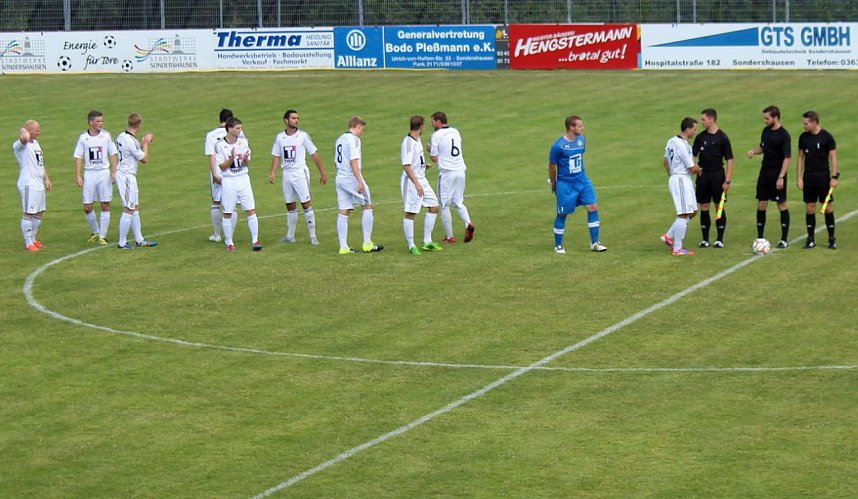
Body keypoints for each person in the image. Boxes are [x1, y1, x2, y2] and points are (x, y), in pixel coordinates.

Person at [548, 115, 607, 254]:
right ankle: (558, 245)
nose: (583, 128)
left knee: (592, 207)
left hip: (582, 181)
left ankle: (595, 243)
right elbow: (552, 166)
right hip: (566, 184)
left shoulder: (581, 140)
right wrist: (553, 182)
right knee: (562, 213)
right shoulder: (558, 146)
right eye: (580, 126)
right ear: (571, 127)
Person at [268, 109, 328, 245]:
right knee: (290, 204)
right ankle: (290, 236)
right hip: (287, 174)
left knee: (306, 203)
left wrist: (322, 172)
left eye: (297, 118)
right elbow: (276, 156)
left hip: (300, 172)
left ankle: (313, 236)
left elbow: (314, 154)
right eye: (293, 118)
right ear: (286, 120)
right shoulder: (280, 138)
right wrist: (273, 172)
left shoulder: (303, 136)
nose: (296, 120)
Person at [334, 116, 383, 255]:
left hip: (340, 178)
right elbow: (353, 161)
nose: (362, 132)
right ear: (357, 126)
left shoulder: (340, 139)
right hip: (351, 178)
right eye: (362, 129)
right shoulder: (354, 139)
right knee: (367, 205)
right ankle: (367, 243)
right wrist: (359, 181)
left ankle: (343, 247)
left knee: (344, 210)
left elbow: (335, 162)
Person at [214, 117, 261, 252]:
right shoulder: (220, 145)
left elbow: (247, 163)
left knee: (250, 209)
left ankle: (255, 240)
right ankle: (229, 242)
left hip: (243, 178)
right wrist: (231, 158)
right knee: (228, 211)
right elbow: (222, 167)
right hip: (229, 180)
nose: (240, 130)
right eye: (238, 128)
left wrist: (245, 159)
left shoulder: (243, 142)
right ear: (229, 129)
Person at [747, 105, 791, 248]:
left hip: (777, 174)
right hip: (764, 173)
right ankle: (760, 237)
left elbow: (787, 157)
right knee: (761, 204)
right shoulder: (766, 131)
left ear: (775, 117)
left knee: (781, 204)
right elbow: (763, 147)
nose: (765, 121)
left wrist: (781, 177)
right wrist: (754, 151)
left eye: (767, 118)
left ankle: (784, 239)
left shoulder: (784, 135)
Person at [429, 111, 474, 243]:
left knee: (444, 204)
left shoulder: (436, 135)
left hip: (447, 173)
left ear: (438, 121)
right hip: (460, 171)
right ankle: (468, 224)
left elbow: (434, 158)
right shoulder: (455, 131)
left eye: (432, 122)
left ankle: (449, 236)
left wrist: (429, 149)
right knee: (458, 201)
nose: (432, 124)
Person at [74, 110, 118, 244]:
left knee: (105, 204)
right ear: (91, 122)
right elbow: (78, 157)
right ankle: (95, 231)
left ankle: (102, 236)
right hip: (89, 174)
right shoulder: (83, 138)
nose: (101, 123)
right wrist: (78, 176)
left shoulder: (106, 136)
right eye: (98, 121)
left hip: (103, 173)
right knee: (87, 206)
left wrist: (114, 172)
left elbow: (113, 154)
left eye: (101, 121)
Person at [796, 111, 839, 249]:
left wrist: (833, 177)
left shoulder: (826, 137)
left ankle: (831, 239)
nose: (804, 126)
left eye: (806, 123)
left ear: (814, 123)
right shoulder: (803, 138)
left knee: (827, 207)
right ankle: (810, 239)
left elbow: (833, 157)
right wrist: (799, 177)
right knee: (810, 207)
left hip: (823, 176)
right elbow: (800, 158)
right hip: (809, 176)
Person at [400, 115, 443, 255]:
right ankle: (411, 246)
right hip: (412, 182)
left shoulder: (417, 140)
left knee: (434, 206)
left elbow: (414, 161)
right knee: (410, 213)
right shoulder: (408, 143)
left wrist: (424, 165)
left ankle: (427, 242)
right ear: (421, 126)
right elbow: (406, 166)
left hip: (421, 179)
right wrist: (417, 184)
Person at [692, 108, 734, 248]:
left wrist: (727, 180)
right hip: (703, 176)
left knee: (719, 206)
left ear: (711, 119)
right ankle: (705, 239)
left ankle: (719, 239)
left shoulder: (723, 138)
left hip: (718, 175)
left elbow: (729, 160)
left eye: (703, 119)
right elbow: (692, 156)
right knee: (704, 206)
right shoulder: (700, 138)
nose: (701, 122)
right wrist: (695, 168)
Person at [114, 113, 158, 249]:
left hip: (126, 175)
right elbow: (144, 159)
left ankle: (139, 239)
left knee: (135, 207)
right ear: (138, 125)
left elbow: (132, 149)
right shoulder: (131, 141)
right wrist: (146, 143)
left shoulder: (122, 136)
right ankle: (122, 243)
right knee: (129, 208)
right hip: (127, 176)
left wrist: (141, 143)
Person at [661, 117, 702, 256]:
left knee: (692, 211)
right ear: (688, 129)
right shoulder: (682, 145)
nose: (695, 132)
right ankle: (677, 248)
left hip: (678, 178)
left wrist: (671, 175)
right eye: (694, 129)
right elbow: (691, 167)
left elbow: (665, 162)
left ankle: (668, 236)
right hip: (681, 179)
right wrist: (702, 170)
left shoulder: (671, 141)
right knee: (684, 214)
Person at [204, 108, 243, 243]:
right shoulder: (239, 133)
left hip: (218, 171)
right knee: (233, 204)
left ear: (219, 119)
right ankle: (229, 235)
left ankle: (217, 234)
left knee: (216, 202)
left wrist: (215, 174)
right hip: (234, 171)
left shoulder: (211, 135)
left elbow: (211, 156)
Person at [14, 120, 51, 252]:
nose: (39, 132)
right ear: (29, 130)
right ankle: (28, 243)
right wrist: (23, 130)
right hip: (28, 183)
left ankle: (34, 239)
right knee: (29, 212)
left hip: (38, 183)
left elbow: (40, 163)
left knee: (40, 212)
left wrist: (46, 178)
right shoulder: (20, 146)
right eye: (36, 129)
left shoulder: (36, 144)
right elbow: (24, 137)